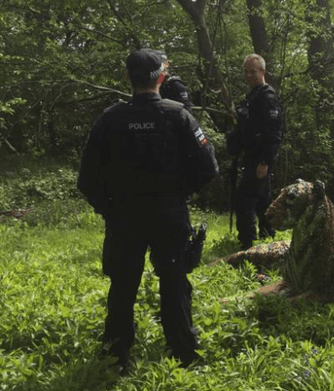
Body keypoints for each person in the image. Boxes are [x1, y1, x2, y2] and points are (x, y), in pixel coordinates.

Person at [78, 49, 219, 372]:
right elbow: (208, 167)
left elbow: (86, 179)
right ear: (162, 77)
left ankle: (117, 355)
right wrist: (181, 193)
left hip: (124, 217)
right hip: (168, 214)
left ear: (128, 78)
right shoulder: (179, 115)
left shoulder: (110, 119)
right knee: (174, 280)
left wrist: (108, 208)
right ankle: (184, 353)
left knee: (123, 284)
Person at [226, 53, 282, 249]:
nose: (249, 75)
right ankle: (268, 235)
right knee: (263, 199)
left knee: (245, 199)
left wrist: (265, 162)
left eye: (253, 72)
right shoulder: (253, 95)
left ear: (263, 72)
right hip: (250, 155)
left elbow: (274, 133)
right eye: (246, 72)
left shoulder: (267, 97)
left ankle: (247, 243)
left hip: (260, 157)